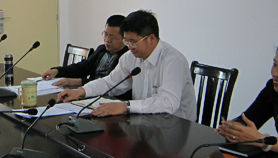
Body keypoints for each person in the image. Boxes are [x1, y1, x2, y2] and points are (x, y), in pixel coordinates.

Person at [58, 10, 196, 119]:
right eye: (126, 41)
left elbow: (168, 103)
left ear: (151, 39)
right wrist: (81, 91)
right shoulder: (130, 57)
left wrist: (126, 106)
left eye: (133, 42)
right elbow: (109, 83)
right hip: (145, 122)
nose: (129, 47)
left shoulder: (172, 60)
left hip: (175, 129)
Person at [41, 15, 129, 96]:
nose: (107, 40)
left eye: (112, 37)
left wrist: (78, 82)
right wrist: (57, 71)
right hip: (90, 93)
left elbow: (108, 83)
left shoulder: (127, 57)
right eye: (105, 35)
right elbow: (82, 68)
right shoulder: (102, 49)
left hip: (111, 98)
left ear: (124, 38)